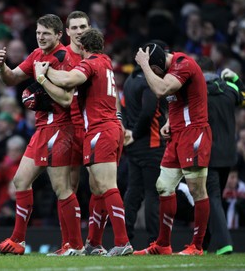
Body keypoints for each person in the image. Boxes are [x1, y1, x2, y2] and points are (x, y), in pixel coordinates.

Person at [0, 14, 84, 256]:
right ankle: (17, 241)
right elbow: (11, 79)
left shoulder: (65, 58)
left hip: (62, 129)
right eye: (38, 33)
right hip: (42, 130)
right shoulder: (36, 55)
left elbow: (66, 99)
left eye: (46, 34)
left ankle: (75, 245)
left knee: (62, 189)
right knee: (20, 181)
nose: (41, 37)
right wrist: (1, 67)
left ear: (58, 36)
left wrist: (41, 80)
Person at [36, 28, 133, 256]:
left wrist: (43, 73)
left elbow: (70, 78)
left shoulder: (90, 64)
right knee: (98, 188)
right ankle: (94, 243)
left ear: (82, 47)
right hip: (109, 129)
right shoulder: (107, 62)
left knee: (107, 185)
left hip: (100, 130)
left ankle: (122, 241)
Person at [133, 42, 212, 255]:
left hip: (194, 133)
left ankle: (197, 246)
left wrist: (144, 66)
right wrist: (169, 121)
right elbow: (176, 99)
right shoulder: (170, 70)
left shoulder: (182, 64)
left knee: (197, 189)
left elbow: (161, 89)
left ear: (157, 64)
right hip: (177, 134)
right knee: (163, 186)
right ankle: (163, 244)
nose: (152, 74)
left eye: (153, 69)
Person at [197, 56, 245, 255]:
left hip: (209, 152)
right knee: (214, 199)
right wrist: (237, 80)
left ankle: (224, 244)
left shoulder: (198, 92)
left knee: (212, 198)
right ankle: (202, 244)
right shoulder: (229, 89)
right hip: (229, 154)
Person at [122, 41, 168, 246]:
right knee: (152, 193)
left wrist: (128, 132)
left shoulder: (130, 80)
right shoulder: (150, 81)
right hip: (151, 143)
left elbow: (122, 109)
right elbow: (149, 111)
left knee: (133, 191)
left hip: (133, 144)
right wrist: (137, 133)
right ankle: (154, 240)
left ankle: (124, 237)